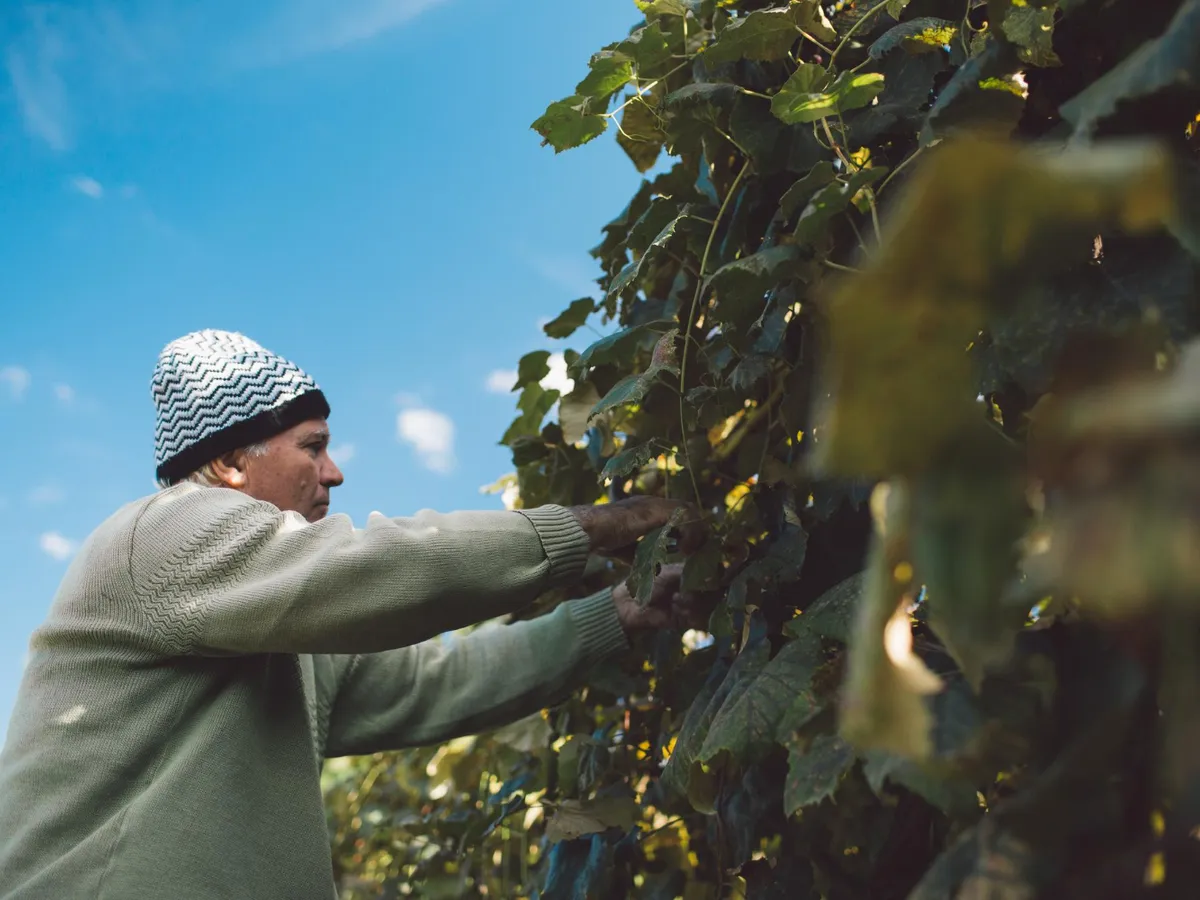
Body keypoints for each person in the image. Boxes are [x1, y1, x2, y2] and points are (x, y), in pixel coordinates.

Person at [0, 329, 700, 900]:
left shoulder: (285, 637)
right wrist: (603, 523)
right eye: (312, 446)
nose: (334, 472)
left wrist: (618, 614)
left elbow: (439, 680)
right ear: (232, 466)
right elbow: (385, 567)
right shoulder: (161, 534)